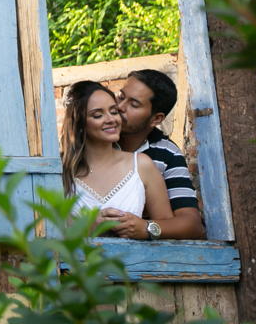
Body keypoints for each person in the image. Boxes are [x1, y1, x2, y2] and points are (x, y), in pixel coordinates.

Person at [99, 69, 206, 240]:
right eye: (120, 96)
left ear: (156, 119)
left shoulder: (167, 154)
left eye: (134, 105)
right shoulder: (94, 141)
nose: (120, 107)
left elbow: (193, 226)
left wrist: (147, 227)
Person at [61, 80, 174, 238]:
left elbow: (169, 229)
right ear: (78, 123)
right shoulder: (59, 170)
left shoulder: (141, 165)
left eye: (114, 112)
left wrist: (146, 228)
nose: (111, 119)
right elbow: (41, 233)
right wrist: (86, 227)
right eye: (98, 115)